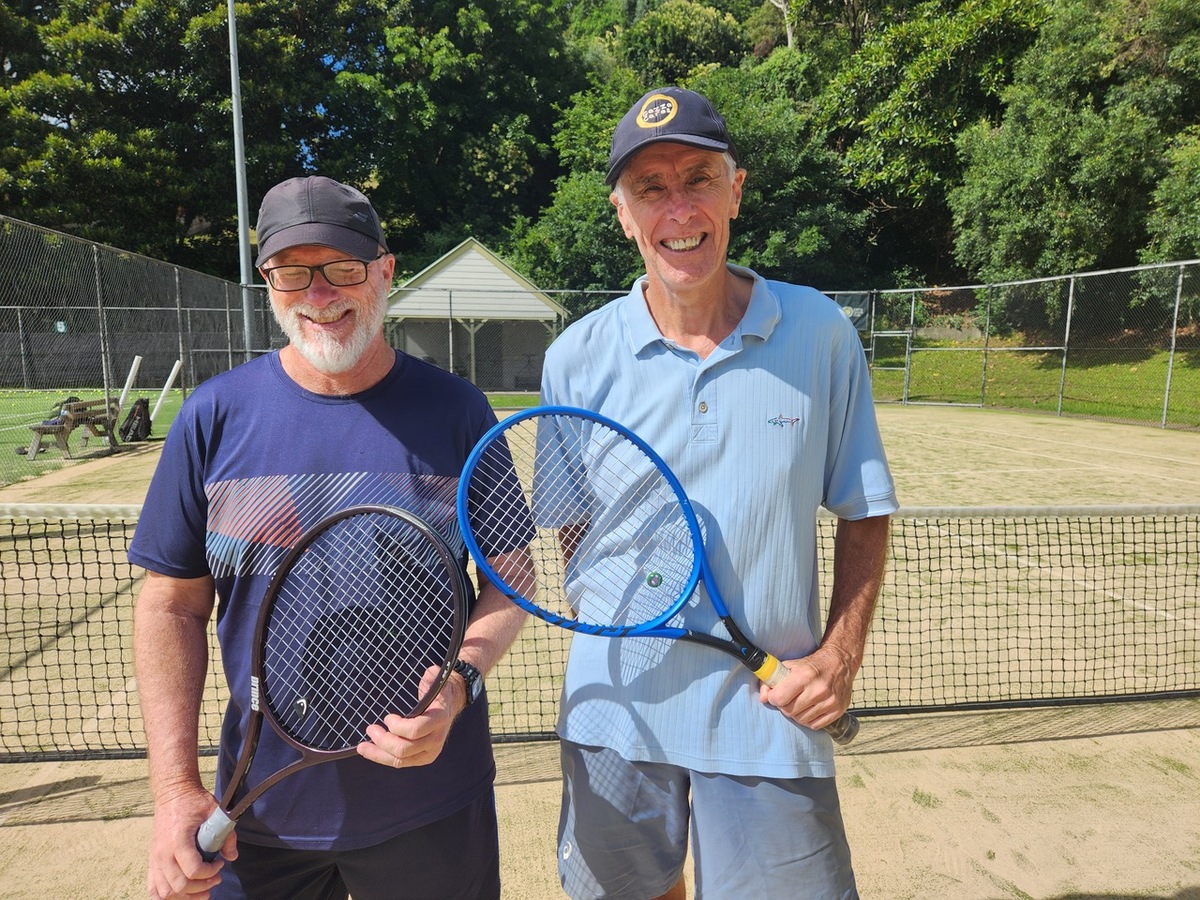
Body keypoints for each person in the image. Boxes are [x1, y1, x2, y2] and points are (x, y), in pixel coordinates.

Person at [540, 87, 899, 899]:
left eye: (698, 178)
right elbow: (575, 535)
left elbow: (864, 509)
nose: (678, 208)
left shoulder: (821, 333)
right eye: (650, 189)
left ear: (735, 190)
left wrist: (839, 657)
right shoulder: (574, 357)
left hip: (771, 717)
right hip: (614, 713)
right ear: (623, 214)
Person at [130, 175, 532, 900]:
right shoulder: (212, 417)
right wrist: (174, 792)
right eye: (292, 273)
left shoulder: (460, 412)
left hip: (433, 806)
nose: (319, 294)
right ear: (267, 283)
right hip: (257, 817)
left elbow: (510, 581)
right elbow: (170, 607)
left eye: (343, 268)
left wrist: (460, 683)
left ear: (384, 269)